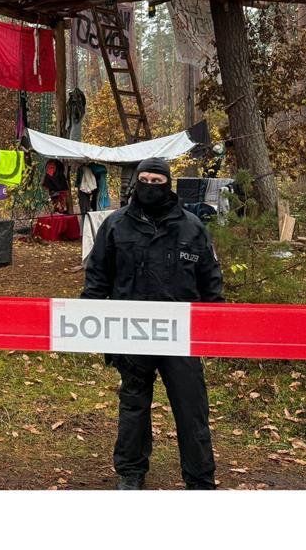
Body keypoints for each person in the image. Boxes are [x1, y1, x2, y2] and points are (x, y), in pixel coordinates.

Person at [81, 157, 224, 490]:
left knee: (192, 410)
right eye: (144, 179)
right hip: (131, 333)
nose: (149, 186)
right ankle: (131, 473)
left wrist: (217, 323)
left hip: (181, 337)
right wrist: (87, 316)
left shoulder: (192, 227)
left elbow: (210, 279)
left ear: (168, 185)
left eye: (157, 181)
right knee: (133, 407)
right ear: (136, 183)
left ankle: (200, 478)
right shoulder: (116, 225)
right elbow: (99, 274)